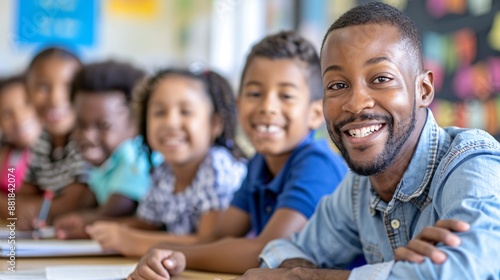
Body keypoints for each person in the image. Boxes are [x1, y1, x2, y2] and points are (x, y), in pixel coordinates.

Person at [234, 2, 500, 280]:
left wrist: (307, 277)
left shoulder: (472, 162)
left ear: (423, 90)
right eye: (337, 85)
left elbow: (467, 271)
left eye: (381, 78)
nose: (356, 103)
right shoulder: (359, 188)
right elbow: (287, 249)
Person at [126, 31, 348, 279]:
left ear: (316, 113)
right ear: (239, 103)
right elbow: (218, 237)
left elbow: (267, 252)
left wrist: (174, 254)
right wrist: (166, 255)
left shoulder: (316, 164)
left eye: (285, 96)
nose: (267, 107)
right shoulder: (258, 164)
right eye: (255, 94)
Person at [85, 68, 248, 255]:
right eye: (160, 112)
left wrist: (131, 241)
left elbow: (209, 241)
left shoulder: (216, 166)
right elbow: (147, 224)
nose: (170, 122)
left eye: (186, 112)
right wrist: (96, 229)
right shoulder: (164, 172)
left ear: (215, 124)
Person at [53, 60, 154, 239]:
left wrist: (87, 220)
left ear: (136, 125)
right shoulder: (106, 163)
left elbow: (119, 206)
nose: (87, 136)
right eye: (80, 124)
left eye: (104, 126)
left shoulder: (133, 153)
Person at [15, 47, 90, 230]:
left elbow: (67, 206)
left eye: (69, 86)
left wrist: (22, 208)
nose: (56, 99)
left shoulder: (87, 138)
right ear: (27, 92)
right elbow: (21, 197)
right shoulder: (42, 140)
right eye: (43, 86)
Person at [0, 75, 41, 204]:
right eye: (7, 113)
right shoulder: (6, 154)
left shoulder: (55, 152)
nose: (19, 119)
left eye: (26, 104)